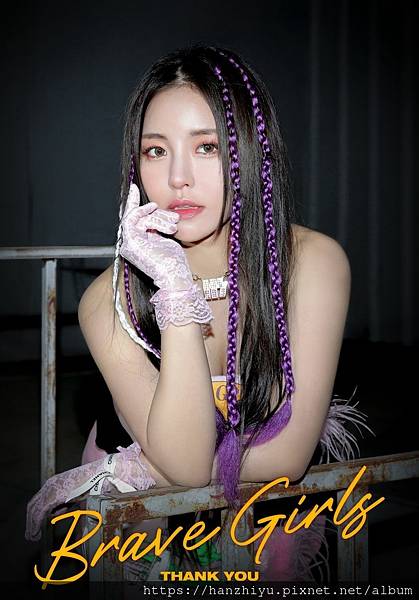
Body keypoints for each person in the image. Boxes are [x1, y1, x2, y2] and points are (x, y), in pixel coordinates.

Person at [25, 44, 370, 580]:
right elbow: (186, 470)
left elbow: (287, 459)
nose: (178, 177)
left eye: (207, 146)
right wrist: (175, 291)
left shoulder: (313, 264)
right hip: (142, 517)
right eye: (155, 151)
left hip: (262, 519)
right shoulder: (106, 299)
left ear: (252, 152)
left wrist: (168, 458)